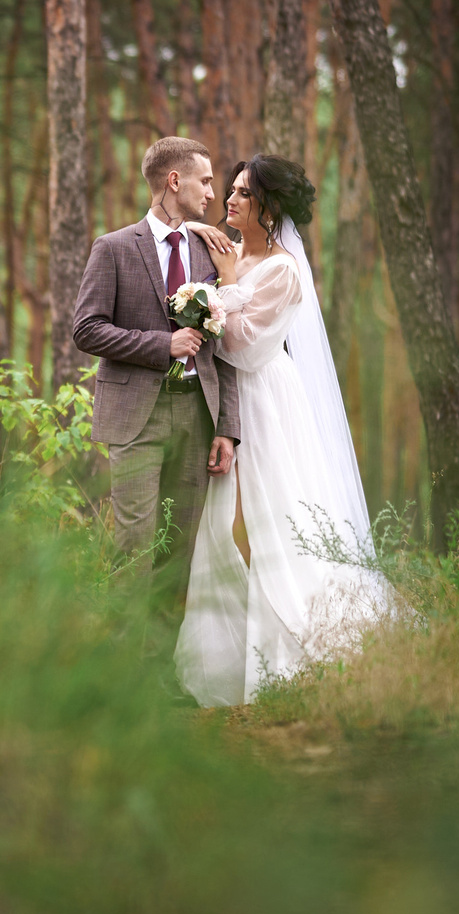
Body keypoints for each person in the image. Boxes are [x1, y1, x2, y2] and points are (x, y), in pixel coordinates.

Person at [175, 154, 400, 707]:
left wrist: (224, 284)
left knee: (270, 525)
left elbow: (246, 349)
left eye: (243, 194)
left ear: (271, 207)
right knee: (221, 526)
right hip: (222, 407)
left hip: (264, 403)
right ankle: (229, 657)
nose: (229, 200)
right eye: (229, 190)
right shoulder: (223, 251)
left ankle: (302, 646)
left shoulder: (283, 271)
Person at [69, 136, 240, 620]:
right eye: (204, 181)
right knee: (135, 543)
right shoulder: (115, 248)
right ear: (174, 180)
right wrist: (159, 345)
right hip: (135, 418)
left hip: (195, 414)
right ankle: (127, 681)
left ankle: (160, 676)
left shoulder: (210, 252)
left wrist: (228, 427)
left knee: (177, 549)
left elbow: (226, 348)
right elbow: (86, 328)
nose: (212, 193)